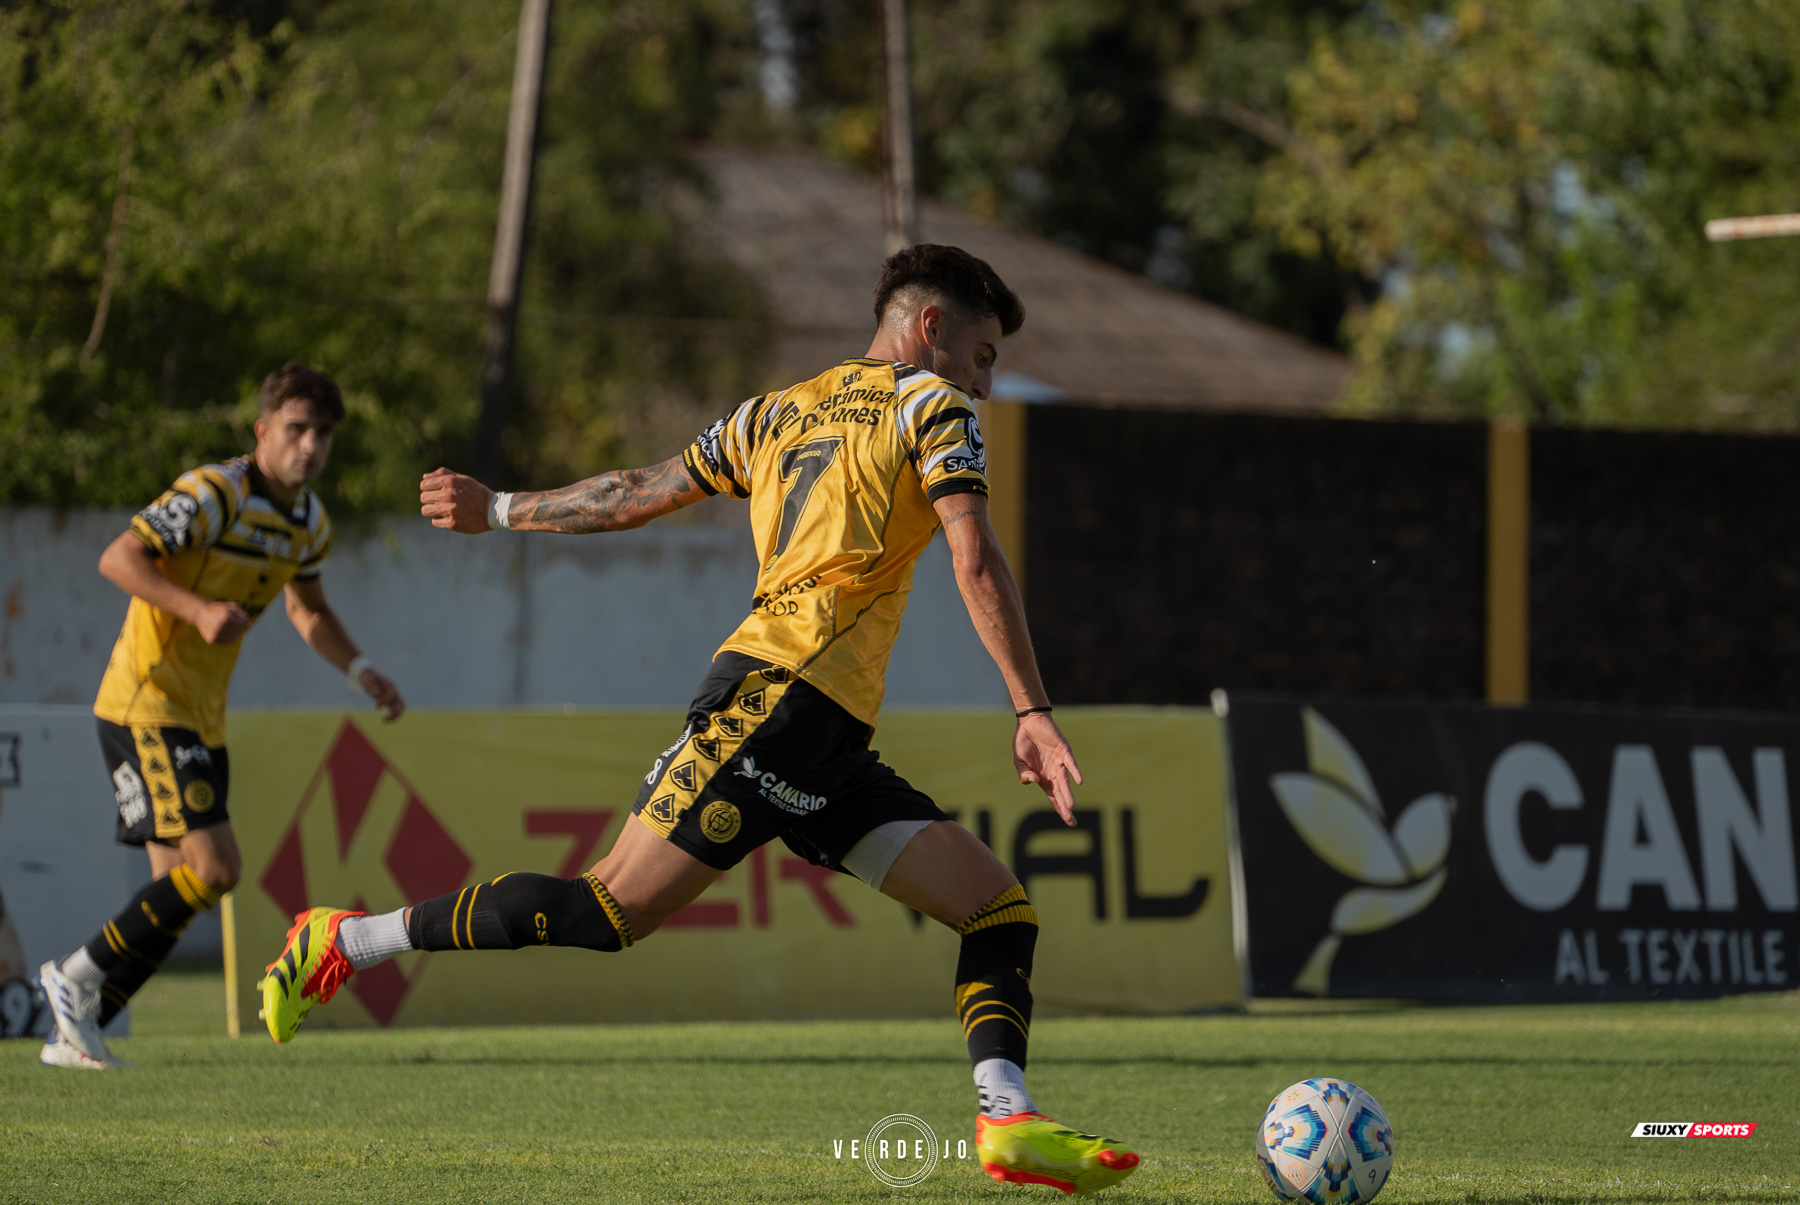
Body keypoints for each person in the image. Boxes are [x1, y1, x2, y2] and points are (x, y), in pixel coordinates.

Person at [259, 245, 1140, 1195]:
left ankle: (1007, 1120)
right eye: (983, 353)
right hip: (775, 704)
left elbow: (638, 491)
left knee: (997, 907)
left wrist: (502, 507)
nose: (984, 380)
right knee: (605, 911)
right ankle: (342, 940)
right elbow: (976, 558)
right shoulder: (933, 405)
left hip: (827, 738)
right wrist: (1031, 708)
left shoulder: (773, 412)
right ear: (930, 327)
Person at [37, 364, 404, 1070]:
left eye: (323, 434)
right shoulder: (214, 494)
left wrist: (362, 670)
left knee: (177, 889)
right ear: (263, 430)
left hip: (201, 718)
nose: (310, 446)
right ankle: (73, 976)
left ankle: (78, 1031)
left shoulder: (309, 523)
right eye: (297, 429)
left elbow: (309, 610)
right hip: (146, 702)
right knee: (217, 869)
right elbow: (119, 558)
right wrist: (199, 609)